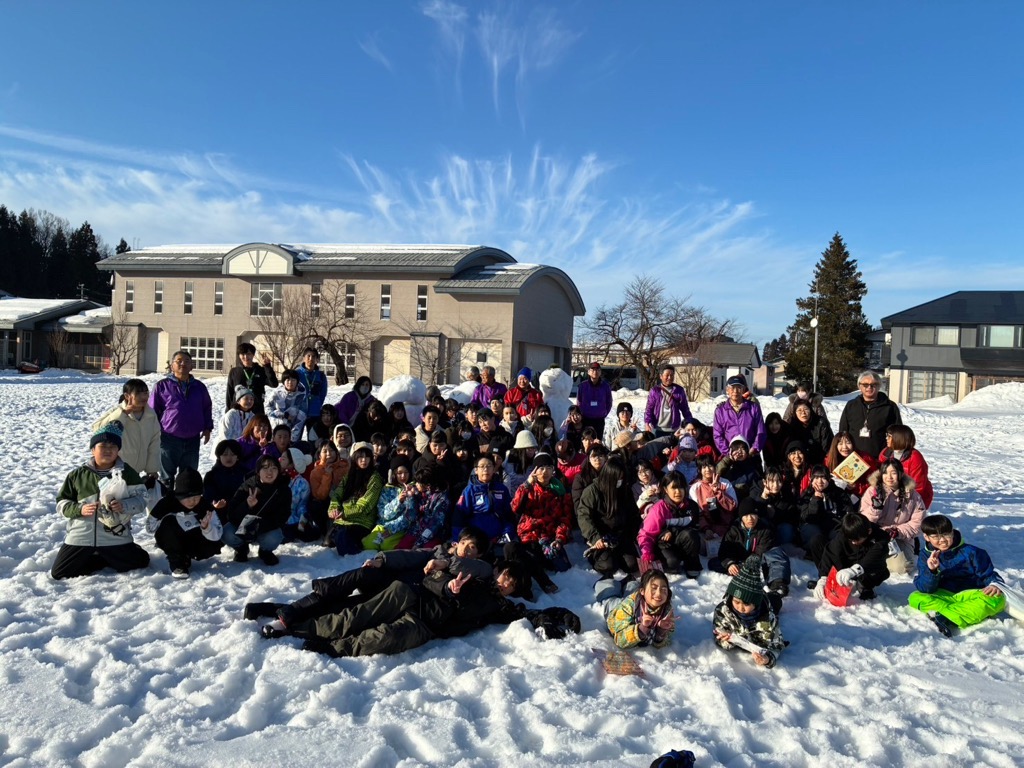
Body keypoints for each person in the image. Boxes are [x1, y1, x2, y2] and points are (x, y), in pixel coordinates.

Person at [50, 421, 150, 579]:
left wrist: (125, 505)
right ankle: (101, 558)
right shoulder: (77, 475)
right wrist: (79, 509)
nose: (108, 450)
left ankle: (105, 555)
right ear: (93, 449)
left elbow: (143, 498)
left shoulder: (127, 473)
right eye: (103, 446)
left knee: (141, 561)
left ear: (118, 450)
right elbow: (61, 503)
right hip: (81, 536)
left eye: (113, 447)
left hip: (114, 536)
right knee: (60, 573)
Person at [908, 514, 1006, 637]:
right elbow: (925, 588)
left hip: (971, 595)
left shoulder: (973, 552)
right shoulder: (925, 555)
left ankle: (945, 616)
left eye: (946, 534)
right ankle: (958, 613)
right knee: (915, 597)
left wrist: (995, 584)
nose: (942, 540)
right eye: (936, 536)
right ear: (926, 537)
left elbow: (989, 574)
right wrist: (932, 571)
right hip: (945, 595)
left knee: (998, 599)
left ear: (953, 533)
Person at [149, 350, 214, 487]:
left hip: (192, 439)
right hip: (168, 438)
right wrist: (154, 433)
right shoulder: (162, 386)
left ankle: (185, 505)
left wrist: (208, 428)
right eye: (179, 361)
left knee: (188, 477)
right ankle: (167, 504)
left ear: (192, 366)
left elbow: (206, 408)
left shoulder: (199, 387)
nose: (183, 364)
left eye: (187, 361)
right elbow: (153, 411)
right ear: (172, 366)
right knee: (166, 477)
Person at [147, 467, 223, 579]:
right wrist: (165, 517)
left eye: (196, 497)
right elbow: (150, 528)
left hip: (194, 541)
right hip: (172, 538)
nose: (193, 501)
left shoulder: (204, 506)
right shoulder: (167, 503)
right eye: (188, 497)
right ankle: (177, 562)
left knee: (211, 540)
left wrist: (206, 528)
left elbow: (217, 535)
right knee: (170, 522)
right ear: (179, 495)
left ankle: (188, 555)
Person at [712, 556, 785, 668]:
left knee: (775, 600)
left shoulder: (767, 618)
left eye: (746, 604)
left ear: (755, 603)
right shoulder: (723, 611)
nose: (740, 608)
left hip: (767, 603)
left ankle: (773, 595)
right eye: (736, 602)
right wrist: (727, 641)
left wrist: (767, 659)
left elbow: (777, 645)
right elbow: (718, 633)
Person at [710, 497, 791, 595]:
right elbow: (724, 550)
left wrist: (748, 564)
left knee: (777, 553)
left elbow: (761, 550)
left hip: (759, 560)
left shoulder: (765, 529)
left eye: (753, 514)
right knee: (714, 562)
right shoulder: (734, 529)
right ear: (741, 517)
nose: (750, 519)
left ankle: (778, 585)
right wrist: (730, 564)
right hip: (738, 560)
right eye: (746, 515)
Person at [577, 456, 641, 578]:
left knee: (632, 565)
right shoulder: (592, 491)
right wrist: (595, 537)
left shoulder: (624, 490)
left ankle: (618, 556)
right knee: (608, 566)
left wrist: (635, 533)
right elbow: (584, 516)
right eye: (618, 478)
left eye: (622, 478)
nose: (620, 481)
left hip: (620, 536)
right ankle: (596, 557)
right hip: (601, 537)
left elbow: (634, 515)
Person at [859, 458, 927, 572]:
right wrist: (876, 509)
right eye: (885, 473)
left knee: (902, 567)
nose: (889, 477)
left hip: (901, 538)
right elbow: (863, 521)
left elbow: (918, 524)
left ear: (900, 474)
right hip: (875, 537)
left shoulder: (913, 495)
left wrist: (897, 531)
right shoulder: (872, 491)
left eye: (893, 473)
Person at [224, 455, 292, 566]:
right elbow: (231, 513)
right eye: (265, 468)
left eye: (274, 468)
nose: (269, 472)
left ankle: (265, 551)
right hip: (243, 528)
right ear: (258, 471)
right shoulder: (248, 485)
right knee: (227, 532)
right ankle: (241, 549)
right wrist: (247, 505)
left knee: (275, 536)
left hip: (265, 528)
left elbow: (283, 515)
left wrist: (259, 526)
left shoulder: (283, 489)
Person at [92, 378, 161, 484]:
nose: (144, 397)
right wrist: (123, 414)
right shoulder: (118, 411)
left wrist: (152, 469)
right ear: (127, 396)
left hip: (136, 472)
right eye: (138, 393)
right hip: (117, 471)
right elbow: (98, 428)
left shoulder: (151, 415)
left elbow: (154, 442)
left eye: (146, 393)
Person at [512, 453, 573, 572]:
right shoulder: (527, 489)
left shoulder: (559, 490)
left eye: (549, 468)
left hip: (550, 536)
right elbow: (515, 507)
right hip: (530, 535)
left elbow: (565, 519)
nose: (545, 472)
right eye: (541, 468)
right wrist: (527, 485)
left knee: (563, 567)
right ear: (535, 471)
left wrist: (559, 539)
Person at [810, 513, 890, 601]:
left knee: (879, 568)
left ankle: (864, 586)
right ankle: (830, 582)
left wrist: (855, 570)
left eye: (857, 540)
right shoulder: (845, 534)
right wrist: (823, 578)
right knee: (818, 542)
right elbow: (831, 553)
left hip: (863, 569)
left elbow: (876, 556)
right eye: (851, 540)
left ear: (869, 531)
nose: (853, 543)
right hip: (844, 566)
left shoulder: (879, 538)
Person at [636, 471, 702, 578]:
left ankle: (691, 565)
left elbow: (694, 527)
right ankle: (665, 563)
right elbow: (645, 534)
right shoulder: (659, 508)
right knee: (672, 563)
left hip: (681, 541)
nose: (678, 492)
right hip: (663, 545)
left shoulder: (692, 506)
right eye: (674, 488)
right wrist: (647, 554)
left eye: (681, 487)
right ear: (666, 490)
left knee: (691, 535)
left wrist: (672, 530)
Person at [327, 442, 384, 554]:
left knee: (343, 542)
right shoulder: (349, 476)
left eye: (367, 456)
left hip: (361, 522)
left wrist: (344, 513)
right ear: (354, 458)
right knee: (328, 542)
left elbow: (365, 505)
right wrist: (333, 509)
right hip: (342, 520)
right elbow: (337, 495)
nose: (364, 460)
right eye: (360, 456)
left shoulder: (375, 477)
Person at [600, 569, 675, 650]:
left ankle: (630, 581)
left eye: (663, 589)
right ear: (642, 591)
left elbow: (665, 642)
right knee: (610, 597)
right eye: (654, 588)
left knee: (634, 587)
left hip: (640, 598)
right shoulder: (628, 605)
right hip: (618, 608)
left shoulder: (667, 612)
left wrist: (662, 630)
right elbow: (620, 640)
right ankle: (606, 579)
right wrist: (641, 629)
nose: (659, 594)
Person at [799, 464, 857, 565]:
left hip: (834, 526)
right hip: (815, 526)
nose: (820, 481)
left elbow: (848, 511)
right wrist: (816, 499)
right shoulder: (807, 494)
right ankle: (815, 555)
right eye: (816, 477)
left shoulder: (839, 493)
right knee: (812, 532)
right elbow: (806, 517)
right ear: (811, 479)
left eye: (823, 478)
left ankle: (837, 558)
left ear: (829, 479)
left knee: (841, 533)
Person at [837, 371, 902, 459]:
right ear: (859, 386)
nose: (869, 387)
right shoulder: (851, 405)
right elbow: (843, 431)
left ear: (879, 386)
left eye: (873, 385)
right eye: (865, 385)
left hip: (880, 458)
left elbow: (897, 434)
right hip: (853, 458)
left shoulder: (890, 407)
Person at [453, 454, 515, 543]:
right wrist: (457, 540)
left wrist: (507, 534)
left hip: (499, 538)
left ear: (494, 469)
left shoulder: (502, 489)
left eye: (489, 466)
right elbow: (459, 515)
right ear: (476, 470)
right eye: (482, 466)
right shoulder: (469, 490)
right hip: (475, 539)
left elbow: (508, 515)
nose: (486, 469)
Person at [878, 425, 933, 508]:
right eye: (887, 435)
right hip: (890, 495)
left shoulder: (915, 457)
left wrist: (904, 500)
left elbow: (918, 485)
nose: (886, 438)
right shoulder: (885, 453)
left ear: (899, 438)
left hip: (912, 498)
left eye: (889, 436)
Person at [689, 454, 738, 545]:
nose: (707, 470)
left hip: (728, 528)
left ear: (715, 467)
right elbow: (697, 513)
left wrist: (718, 491)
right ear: (699, 470)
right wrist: (706, 529)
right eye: (704, 467)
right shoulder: (695, 488)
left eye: (710, 466)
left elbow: (733, 506)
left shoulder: (725, 483)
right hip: (707, 530)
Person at [712, 374, 765, 458]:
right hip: (730, 456)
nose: (735, 391)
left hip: (750, 455)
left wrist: (754, 449)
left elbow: (761, 431)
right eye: (732, 388)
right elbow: (717, 435)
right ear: (727, 390)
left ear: (743, 389)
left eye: (739, 387)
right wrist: (728, 452)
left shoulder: (753, 408)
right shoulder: (721, 411)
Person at [225, 342, 278, 414]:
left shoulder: (260, 370)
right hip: (238, 410)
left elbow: (274, 384)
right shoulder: (234, 372)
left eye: (248, 354)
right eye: (243, 354)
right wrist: (228, 411)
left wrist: (267, 367)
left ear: (253, 355)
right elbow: (230, 393)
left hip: (256, 410)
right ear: (239, 356)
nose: (246, 357)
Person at [824, 431, 877, 500]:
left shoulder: (865, 458)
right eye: (840, 443)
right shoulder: (829, 460)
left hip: (861, 497)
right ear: (835, 446)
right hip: (836, 497)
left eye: (848, 443)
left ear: (853, 444)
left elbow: (874, 482)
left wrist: (856, 487)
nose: (844, 447)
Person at [644, 365, 692, 438]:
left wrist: (690, 421)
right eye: (667, 375)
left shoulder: (679, 390)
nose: (669, 377)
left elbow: (685, 409)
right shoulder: (655, 391)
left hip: (674, 430)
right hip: (658, 428)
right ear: (661, 376)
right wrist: (647, 422)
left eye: (672, 375)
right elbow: (649, 408)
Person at [203, 439, 246, 516]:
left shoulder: (246, 473)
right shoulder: (211, 475)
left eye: (233, 454)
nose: (229, 458)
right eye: (225, 454)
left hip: (242, 513)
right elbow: (207, 497)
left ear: (238, 456)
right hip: (219, 515)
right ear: (219, 456)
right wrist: (214, 504)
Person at [785, 399, 834, 465]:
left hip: (819, 461)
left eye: (806, 409)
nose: (803, 413)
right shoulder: (792, 425)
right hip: (799, 462)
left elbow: (827, 446)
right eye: (799, 410)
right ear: (795, 412)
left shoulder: (821, 422)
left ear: (810, 410)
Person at [715, 436, 763, 501]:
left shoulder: (752, 468)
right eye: (736, 448)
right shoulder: (727, 465)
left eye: (743, 449)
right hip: (726, 500)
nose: (739, 452)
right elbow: (716, 474)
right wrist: (729, 459)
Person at [266, 369, 308, 443]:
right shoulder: (276, 393)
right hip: (275, 429)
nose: (290, 382)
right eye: (287, 380)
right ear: (283, 381)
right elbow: (267, 408)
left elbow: (301, 418)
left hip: (291, 432)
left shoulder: (302, 396)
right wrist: (282, 415)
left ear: (297, 381)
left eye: (293, 380)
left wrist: (292, 438)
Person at [295, 347, 330, 422]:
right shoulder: (297, 374)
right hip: (299, 411)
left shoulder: (321, 376)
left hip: (314, 412)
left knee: (313, 433)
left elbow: (323, 394)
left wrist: (317, 404)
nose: (311, 359)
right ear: (304, 358)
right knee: (296, 433)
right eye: (308, 356)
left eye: (313, 356)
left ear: (317, 359)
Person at [578, 362, 614, 433]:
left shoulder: (605, 386)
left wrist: (604, 413)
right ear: (588, 372)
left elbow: (609, 402)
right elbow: (579, 402)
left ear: (600, 372)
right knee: (586, 441)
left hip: (599, 419)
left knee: (598, 442)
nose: (595, 372)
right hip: (586, 419)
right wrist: (581, 414)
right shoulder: (582, 386)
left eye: (597, 370)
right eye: (593, 370)